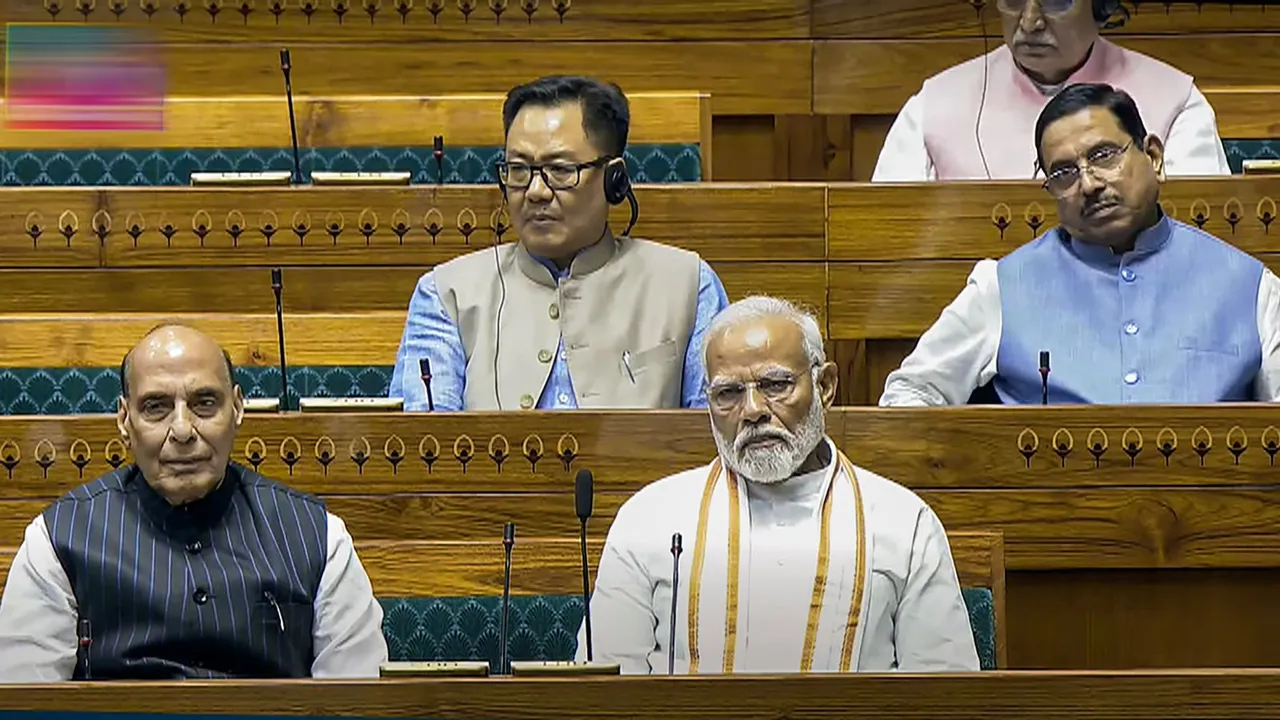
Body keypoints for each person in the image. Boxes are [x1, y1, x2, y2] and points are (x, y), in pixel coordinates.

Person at [579, 296, 979, 674]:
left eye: (775, 385)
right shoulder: (650, 519)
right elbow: (603, 687)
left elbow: (947, 692)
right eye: (728, 393)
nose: (752, 411)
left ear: (824, 386)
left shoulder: (903, 523)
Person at [0, 325, 388, 681]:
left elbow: (356, 701)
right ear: (124, 419)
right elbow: (26, 702)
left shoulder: (319, 537)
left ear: (237, 408)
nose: (183, 430)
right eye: (156, 406)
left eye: (205, 403)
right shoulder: (57, 540)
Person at [881, 84, 1280, 406]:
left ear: (1154, 157)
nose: (1088, 184)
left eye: (1104, 155)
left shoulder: (1251, 287)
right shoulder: (1002, 287)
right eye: (1064, 173)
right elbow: (909, 394)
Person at [389, 75, 729, 412]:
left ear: (615, 179)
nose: (536, 191)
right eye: (519, 169)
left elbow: (717, 438)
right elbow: (427, 447)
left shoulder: (689, 286)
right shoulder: (445, 294)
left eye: (561, 170)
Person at [872, 0, 1230, 181]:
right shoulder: (931, 109)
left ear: (1102, 6)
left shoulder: (1177, 104)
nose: (1029, 22)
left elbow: (1199, 248)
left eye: (1056, 0)